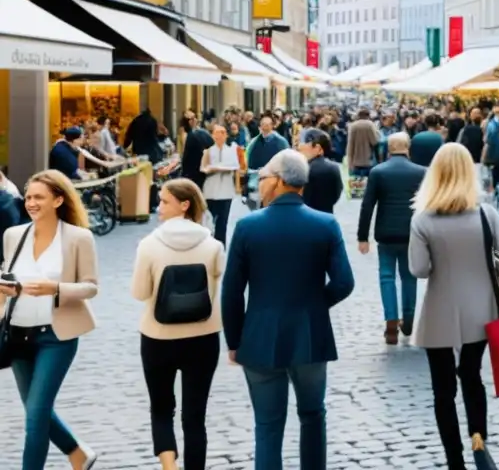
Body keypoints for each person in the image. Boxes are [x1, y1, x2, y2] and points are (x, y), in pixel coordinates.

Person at [222, 150, 355, 470]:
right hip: (310, 334)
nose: (260, 184)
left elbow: (231, 291)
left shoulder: (248, 226)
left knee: (268, 425)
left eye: (264, 177)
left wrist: (234, 340)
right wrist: (313, 304)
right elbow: (344, 282)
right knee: (312, 415)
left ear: (279, 181)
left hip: (260, 335)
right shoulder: (325, 224)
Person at [408, 143, 499, 470]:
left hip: (440, 309)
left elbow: (419, 269)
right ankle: (478, 439)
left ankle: (454, 460)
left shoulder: (423, 219)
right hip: (481, 308)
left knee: (442, 390)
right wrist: (484, 267)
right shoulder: (487, 214)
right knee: (471, 376)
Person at [0, 170, 99, 470]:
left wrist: (55, 288)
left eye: (38, 197)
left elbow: (91, 286)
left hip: (57, 336)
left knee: (36, 414)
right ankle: (77, 453)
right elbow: (7, 276)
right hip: (18, 332)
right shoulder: (13, 235)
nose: (30, 202)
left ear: (58, 200)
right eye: (28, 197)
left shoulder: (79, 237)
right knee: (35, 410)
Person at [131, 178, 225, 470]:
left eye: (164, 201)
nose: (158, 206)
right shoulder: (212, 245)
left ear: (184, 205)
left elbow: (140, 293)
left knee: (161, 408)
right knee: (195, 415)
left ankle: (169, 467)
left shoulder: (148, 245)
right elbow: (218, 286)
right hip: (203, 336)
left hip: (158, 337)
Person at [357, 132, 425, 344]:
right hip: (411, 233)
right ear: (408, 147)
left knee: (386, 276)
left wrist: (363, 236)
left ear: (389, 149)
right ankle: (409, 319)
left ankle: (391, 324)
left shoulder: (378, 172)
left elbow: (368, 204)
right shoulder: (421, 172)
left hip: (385, 233)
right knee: (408, 276)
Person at [201, 124, 240, 244]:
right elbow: (203, 168)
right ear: (212, 135)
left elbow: (236, 167)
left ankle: (220, 245)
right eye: (217, 132)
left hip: (226, 191)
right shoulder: (208, 151)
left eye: (223, 132)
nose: (220, 135)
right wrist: (212, 169)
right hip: (211, 190)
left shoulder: (232, 150)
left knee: (223, 221)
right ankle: (208, 243)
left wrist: (237, 186)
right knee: (209, 219)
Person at [298, 128, 344, 214]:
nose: (299, 146)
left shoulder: (304, 169)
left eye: (303, 142)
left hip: (305, 219)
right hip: (326, 216)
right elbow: (337, 193)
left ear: (317, 148)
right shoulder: (334, 167)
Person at [346, 108, 380, 198]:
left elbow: (350, 144)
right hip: (367, 160)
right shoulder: (369, 125)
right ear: (368, 115)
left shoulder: (353, 125)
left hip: (355, 160)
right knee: (367, 189)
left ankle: (356, 196)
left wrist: (349, 162)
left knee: (357, 190)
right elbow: (375, 141)